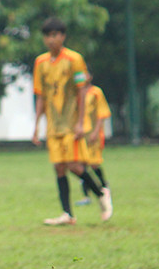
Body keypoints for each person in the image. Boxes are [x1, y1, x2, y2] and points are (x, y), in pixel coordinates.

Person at [32, 18, 112, 226]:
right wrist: (36, 125)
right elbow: (40, 96)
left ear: (62, 36)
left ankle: (100, 193)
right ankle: (67, 214)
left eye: (55, 35)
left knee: (74, 165)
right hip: (53, 124)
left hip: (71, 123)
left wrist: (80, 122)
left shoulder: (74, 59)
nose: (51, 40)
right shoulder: (40, 63)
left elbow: (81, 91)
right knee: (58, 167)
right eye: (47, 36)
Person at [75, 73, 111, 206]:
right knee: (81, 165)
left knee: (94, 164)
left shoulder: (96, 92)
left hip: (93, 134)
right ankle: (86, 196)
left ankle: (104, 188)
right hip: (80, 135)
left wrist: (96, 132)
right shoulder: (77, 93)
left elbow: (102, 114)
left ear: (90, 76)